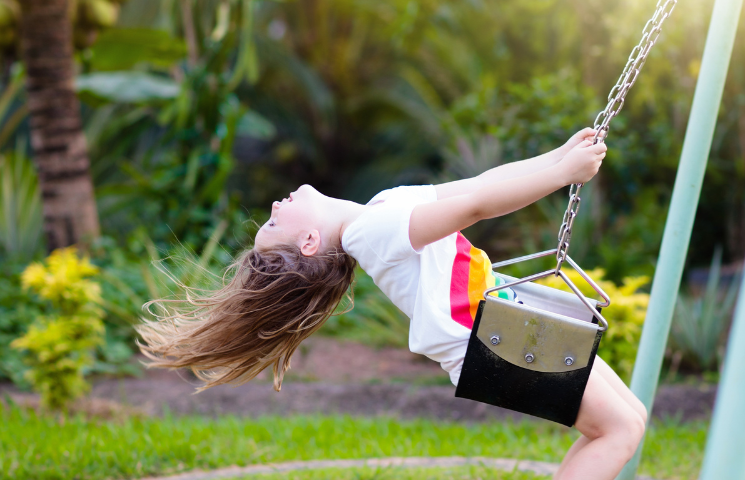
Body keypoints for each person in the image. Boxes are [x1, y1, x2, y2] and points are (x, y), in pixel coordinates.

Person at [137, 127, 646, 480]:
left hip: (500, 324)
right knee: (619, 429)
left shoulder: (381, 209)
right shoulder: (372, 232)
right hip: (489, 338)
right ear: (310, 241)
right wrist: (562, 175)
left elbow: (479, 184)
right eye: (274, 224)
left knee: (628, 420)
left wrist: (558, 158)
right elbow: (473, 207)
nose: (273, 206)